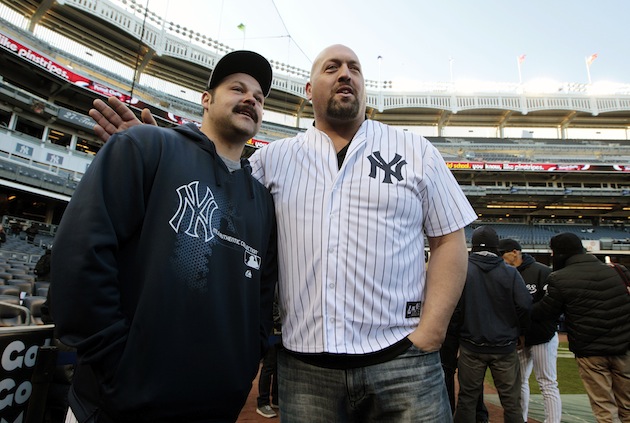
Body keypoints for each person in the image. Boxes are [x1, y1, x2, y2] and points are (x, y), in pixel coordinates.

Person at [90, 44, 477, 422]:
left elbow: (448, 239)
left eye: (354, 68)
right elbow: (216, 188)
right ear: (308, 91)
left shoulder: (415, 149)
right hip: (306, 370)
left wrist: (431, 331)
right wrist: (163, 159)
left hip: (403, 363)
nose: (345, 73)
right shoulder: (270, 159)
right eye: (331, 67)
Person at [51, 50, 278, 423]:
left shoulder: (262, 202)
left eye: (259, 97)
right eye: (238, 88)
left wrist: (241, 369)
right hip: (115, 405)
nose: (251, 98)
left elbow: (261, 297)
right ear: (206, 100)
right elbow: (81, 253)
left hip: (216, 406)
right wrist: (117, 365)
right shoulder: (145, 146)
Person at [534, 232, 630, 423]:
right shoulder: (618, 270)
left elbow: (544, 313)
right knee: (627, 406)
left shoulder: (560, 278)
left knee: (604, 408)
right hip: (623, 348)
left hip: (590, 351)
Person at [453, 226, 532, 423]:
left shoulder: (463, 270)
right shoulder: (510, 272)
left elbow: (453, 309)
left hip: (471, 345)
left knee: (467, 400)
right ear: (496, 247)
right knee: (511, 402)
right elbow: (524, 305)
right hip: (504, 346)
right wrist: (519, 332)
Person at [498, 238, 562, 423]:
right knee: (519, 382)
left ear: (515, 252)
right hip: (519, 337)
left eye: (503, 253)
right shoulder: (506, 274)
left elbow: (551, 306)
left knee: (547, 383)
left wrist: (526, 317)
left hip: (543, 336)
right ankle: (521, 419)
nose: (501, 258)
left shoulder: (542, 271)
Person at [256, 288, 281, 418]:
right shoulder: (273, 284)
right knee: (269, 365)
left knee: (278, 365)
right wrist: (278, 321)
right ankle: (262, 403)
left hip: (281, 330)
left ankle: (276, 399)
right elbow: (272, 307)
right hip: (273, 330)